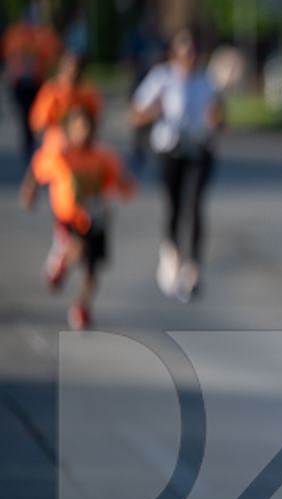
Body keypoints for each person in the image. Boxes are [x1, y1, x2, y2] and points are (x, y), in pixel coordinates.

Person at [19, 106, 135, 329]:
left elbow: (121, 182)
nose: (84, 132)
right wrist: (29, 190)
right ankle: (60, 262)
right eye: (78, 127)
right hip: (69, 216)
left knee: (92, 268)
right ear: (69, 131)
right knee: (77, 248)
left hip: (97, 217)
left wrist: (124, 186)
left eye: (88, 127)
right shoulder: (61, 155)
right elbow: (37, 168)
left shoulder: (104, 156)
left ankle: (82, 306)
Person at [130, 29, 223, 302]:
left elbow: (219, 116)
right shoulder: (162, 78)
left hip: (199, 150)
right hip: (169, 150)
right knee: (173, 205)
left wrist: (216, 120)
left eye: (192, 51)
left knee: (195, 205)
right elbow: (135, 114)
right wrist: (153, 111)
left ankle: (193, 267)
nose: (189, 57)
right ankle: (171, 254)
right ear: (173, 54)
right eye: (183, 52)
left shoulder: (206, 81)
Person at [3, 7, 62, 157]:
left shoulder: (40, 37)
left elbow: (49, 56)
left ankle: (35, 139)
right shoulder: (14, 36)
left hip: (36, 81)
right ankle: (28, 142)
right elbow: (7, 57)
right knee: (23, 114)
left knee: (34, 112)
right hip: (19, 82)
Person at [29, 49, 103, 136]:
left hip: (81, 139)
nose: (73, 72)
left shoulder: (88, 90)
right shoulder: (52, 91)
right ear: (62, 69)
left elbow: (95, 117)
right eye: (70, 68)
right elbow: (38, 122)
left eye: (77, 69)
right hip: (58, 139)